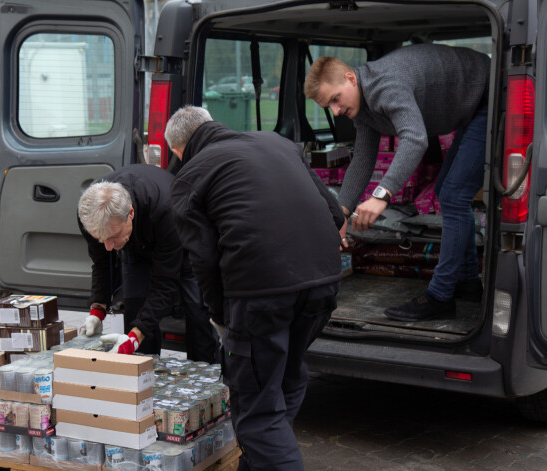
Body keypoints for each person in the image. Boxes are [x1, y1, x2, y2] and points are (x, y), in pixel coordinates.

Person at [165, 105, 344, 471]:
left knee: (256, 409)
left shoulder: (191, 175)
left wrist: (220, 319)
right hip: (324, 283)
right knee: (287, 377)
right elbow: (337, 214)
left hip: (261, 295)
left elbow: (204, 260)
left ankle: (273, 455)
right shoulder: (279, 144)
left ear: (179, 150)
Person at [304, 43, 490, 321]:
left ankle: (441, 296)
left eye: (335, 99)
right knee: (445, 191)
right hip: (470, 107)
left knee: (453, 195)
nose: (335, 111)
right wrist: (340, 214)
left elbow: (415, 138)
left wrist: (381, 195)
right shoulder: (362, 106)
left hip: (489, 96)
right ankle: (467, 282)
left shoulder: (385, 85)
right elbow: (364, 158)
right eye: (328, 106)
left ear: (350, 79)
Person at [77, 164, 218, 362]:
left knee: (198, 314)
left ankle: (207, 378)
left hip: (181, 244)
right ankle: (145, 376)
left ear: (131, 213)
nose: (108, 246)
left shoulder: (167, 211)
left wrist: (137, 335)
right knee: (135, 308)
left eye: (113, 236)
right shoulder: (88, 215)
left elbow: (165, 282)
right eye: (101, 239)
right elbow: (102, 263)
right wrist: (97, 309)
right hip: (136, 246)